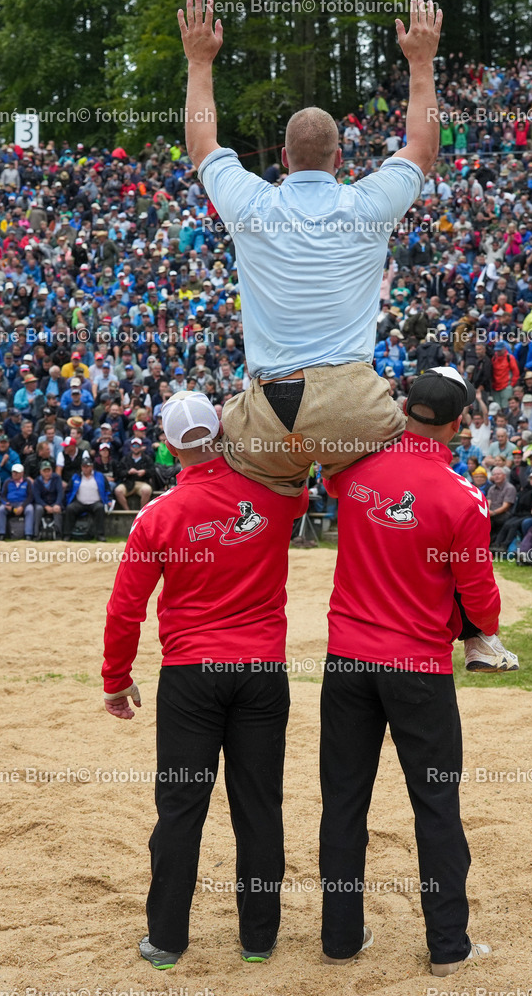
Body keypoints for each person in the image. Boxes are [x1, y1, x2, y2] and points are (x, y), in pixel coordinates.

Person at [178, 0, 443, 494]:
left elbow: (202, 144)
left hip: (270, 408)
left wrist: (198, 61)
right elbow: (423, 148)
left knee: (257, 507)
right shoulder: (369, 205)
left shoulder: (251, 203)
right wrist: (421, 61)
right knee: (390, 482)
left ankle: (259, 533)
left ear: (282, 155)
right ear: (339, 158)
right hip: (351, 404)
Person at [101, 393, 307, 968]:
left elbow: (126, 610)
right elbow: (300, 492)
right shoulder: (271, 496)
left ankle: (166, 941)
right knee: (260, 806)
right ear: (222, 434)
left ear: (168, 449)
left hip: (191, 674)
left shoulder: (158, 515)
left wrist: (116, 679)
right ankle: (258, 939)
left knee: (181, 806)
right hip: (262, 669)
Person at [318, 369, 503, 977]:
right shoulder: (461, 497)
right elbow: (481, 601)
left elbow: (329, 472)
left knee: (344, 802)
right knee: (436, 806)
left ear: (403, 408)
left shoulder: (357, 470)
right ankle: (448, 947)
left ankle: (341, 938)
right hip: (419, 666)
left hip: (348, 657)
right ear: (459, 423)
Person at [63, 452, 109, 541]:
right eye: (84, 466)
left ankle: (100, 535)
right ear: (81, 467)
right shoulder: (76, 477)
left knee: (100, 508)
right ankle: (67, 534)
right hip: (80, 502)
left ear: (91, 467)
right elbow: (69, 490)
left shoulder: (100, 476)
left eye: (87, 466)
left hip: (95, 502)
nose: (85, 468)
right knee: (70, 508)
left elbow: (107, 490)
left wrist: (109, 500)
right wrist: (68, 501)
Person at [0, 462, 35, 540]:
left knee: (30, 510)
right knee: (1, 510)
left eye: (17, 472)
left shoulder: (27, 482)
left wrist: (22, 506)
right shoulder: (7, 482)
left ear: (22, 473)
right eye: (13, 472)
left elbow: (30, 497)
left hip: (23, 503)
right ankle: (1, 534)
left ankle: (28, 534)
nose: (15, 474)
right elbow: (2, 495)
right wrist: (7, 504)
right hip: (10, 503)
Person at [32, 460, 64, 538]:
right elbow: (36, 497)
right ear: (41, 472)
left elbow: (60, 492)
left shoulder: (57, 478)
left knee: (57, 509)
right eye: (44, 471)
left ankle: (58, 533)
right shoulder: (37, 481)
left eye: (48, 471)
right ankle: (36, 534)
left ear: (51, 471)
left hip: (54, 502)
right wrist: (45, 506)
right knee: (38, 509)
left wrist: (57, 504)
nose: (47, 473)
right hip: (42, 503)